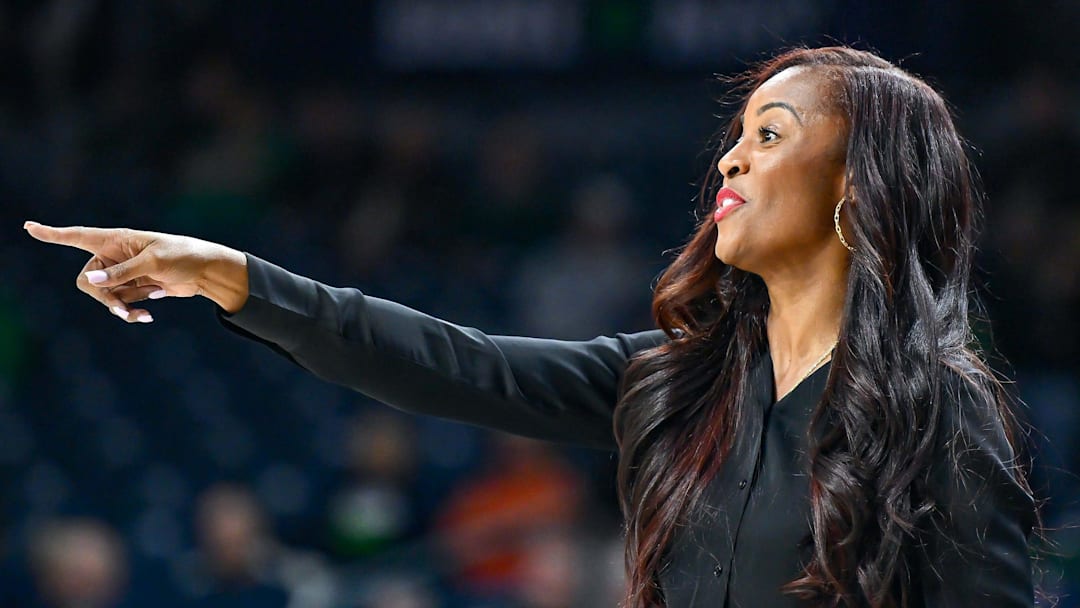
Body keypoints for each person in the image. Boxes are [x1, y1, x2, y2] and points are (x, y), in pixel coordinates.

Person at [25, 45, 1039, 607]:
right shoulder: (672, 381)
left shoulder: (938, 408)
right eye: (734, 138)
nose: (730, 161)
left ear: (857, 185)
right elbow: (449, 363)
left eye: (769, 137)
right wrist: (227, 272)